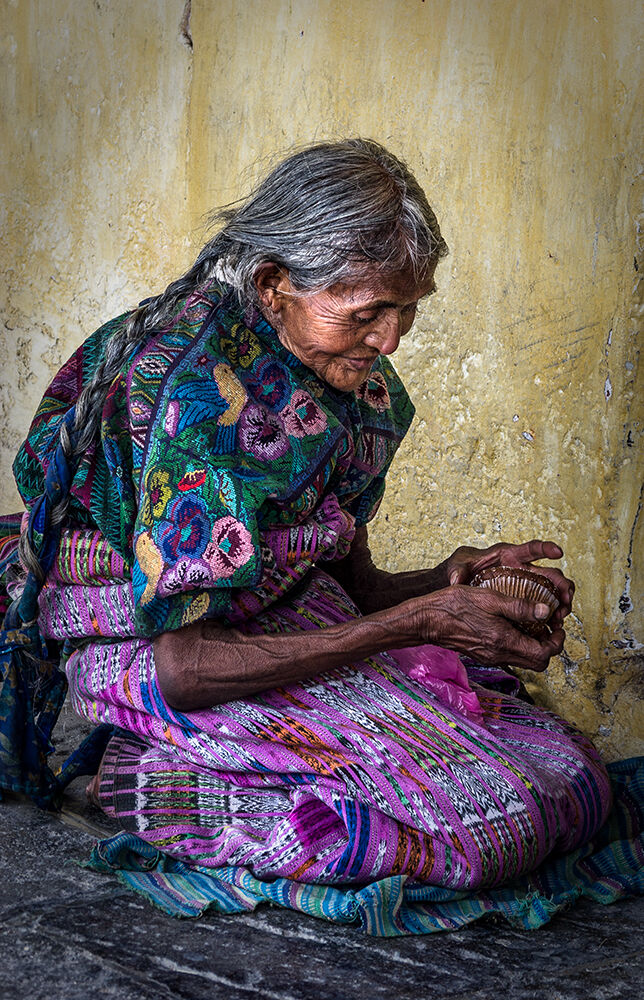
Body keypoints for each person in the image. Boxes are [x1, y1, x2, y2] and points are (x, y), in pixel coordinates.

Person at [11, 139, 610, 896]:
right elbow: (186, 666)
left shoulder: (352, 385)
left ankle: (212, 766)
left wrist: (448, 581)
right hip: (155, 647)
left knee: (568, 775)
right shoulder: (198, 401)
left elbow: (348, 584)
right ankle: (152, 777)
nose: (389, 339)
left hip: (285, 617)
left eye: (407, 311)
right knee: (484, 835)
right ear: (273, 285)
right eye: (367, 313)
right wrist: (417, 623)